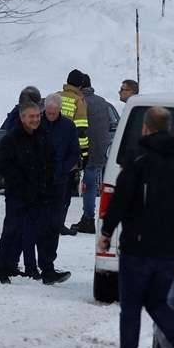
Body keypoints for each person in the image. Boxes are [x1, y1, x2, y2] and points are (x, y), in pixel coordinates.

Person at [100, 107, 174, 348]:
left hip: (138, 246)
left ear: (146, 127)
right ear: (168, 129)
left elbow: (121, 198)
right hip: (170, 247)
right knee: (157, 302)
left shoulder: (138, 159)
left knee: (131, 307)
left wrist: (107, 231)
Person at [0, 101, 48, 284]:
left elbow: (48, 162)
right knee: (11, 230)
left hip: (36, 194)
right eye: (31, 116)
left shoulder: (42, 136)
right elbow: (0, 164)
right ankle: (3, 269)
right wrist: (18, 180)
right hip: (17, 193)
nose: (35, 120)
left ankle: (23, 266)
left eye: (38, 116)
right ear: (22, 117)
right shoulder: (11, 138)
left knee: (31, 232)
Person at [75, 73, 115, 235]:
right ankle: (90, 217)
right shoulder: (103, 102)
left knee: (85, 184)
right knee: (93, 183)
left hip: (84, 148)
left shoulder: (80, 102)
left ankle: (88, 218)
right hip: (101, 149)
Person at [43, 94, 81, 239]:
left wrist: (64, 169)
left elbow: (74, 152)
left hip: (60, 176)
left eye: (54, 112)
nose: (51, 115)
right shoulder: (38, 123)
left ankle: (57, 227)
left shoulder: (68, 126)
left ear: (60, 109)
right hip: (39, 176)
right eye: (48, 112)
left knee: (58, 208)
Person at [60, 69, 90, 234]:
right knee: (65, 192)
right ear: (80, 85)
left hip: (51, 151)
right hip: (69, 153)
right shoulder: (79, 101)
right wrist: (84, 155)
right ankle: (59, 224)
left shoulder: (56, 97)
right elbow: (81, 131)